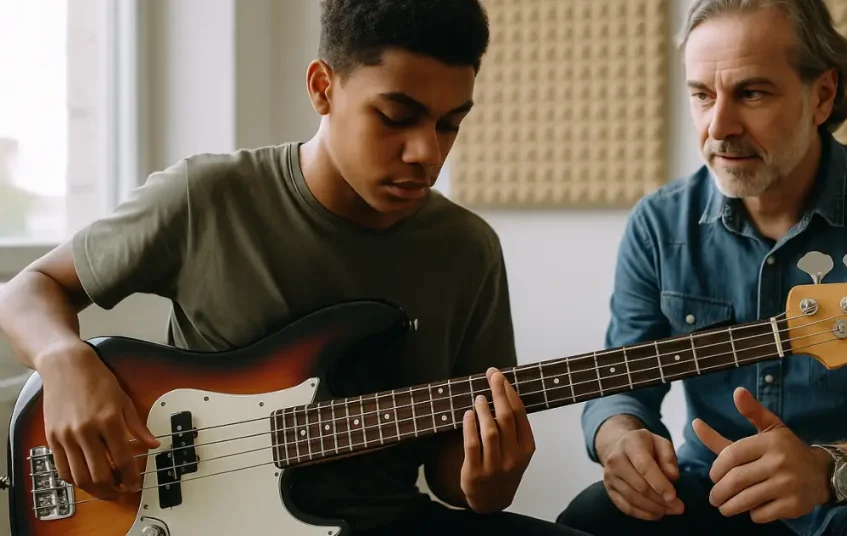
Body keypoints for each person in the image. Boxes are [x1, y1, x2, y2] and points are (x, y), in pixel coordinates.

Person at [0, 1, 589, 535]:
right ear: (322, 87)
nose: (426, 153)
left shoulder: (468, 249)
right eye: (394, 117)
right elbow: (28, 289)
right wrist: (65, 361)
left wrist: (484, 484)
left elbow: (451, 466)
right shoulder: (207, 197)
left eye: (448, 123)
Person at [556, 1, 847, 535]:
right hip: (711, 492)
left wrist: (828, 470)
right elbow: (622, 380)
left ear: (822, 95)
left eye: (752, 93)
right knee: (592, 515)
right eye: (701, 95)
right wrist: (619, 438)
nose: (718, 126)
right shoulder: (658, 223)